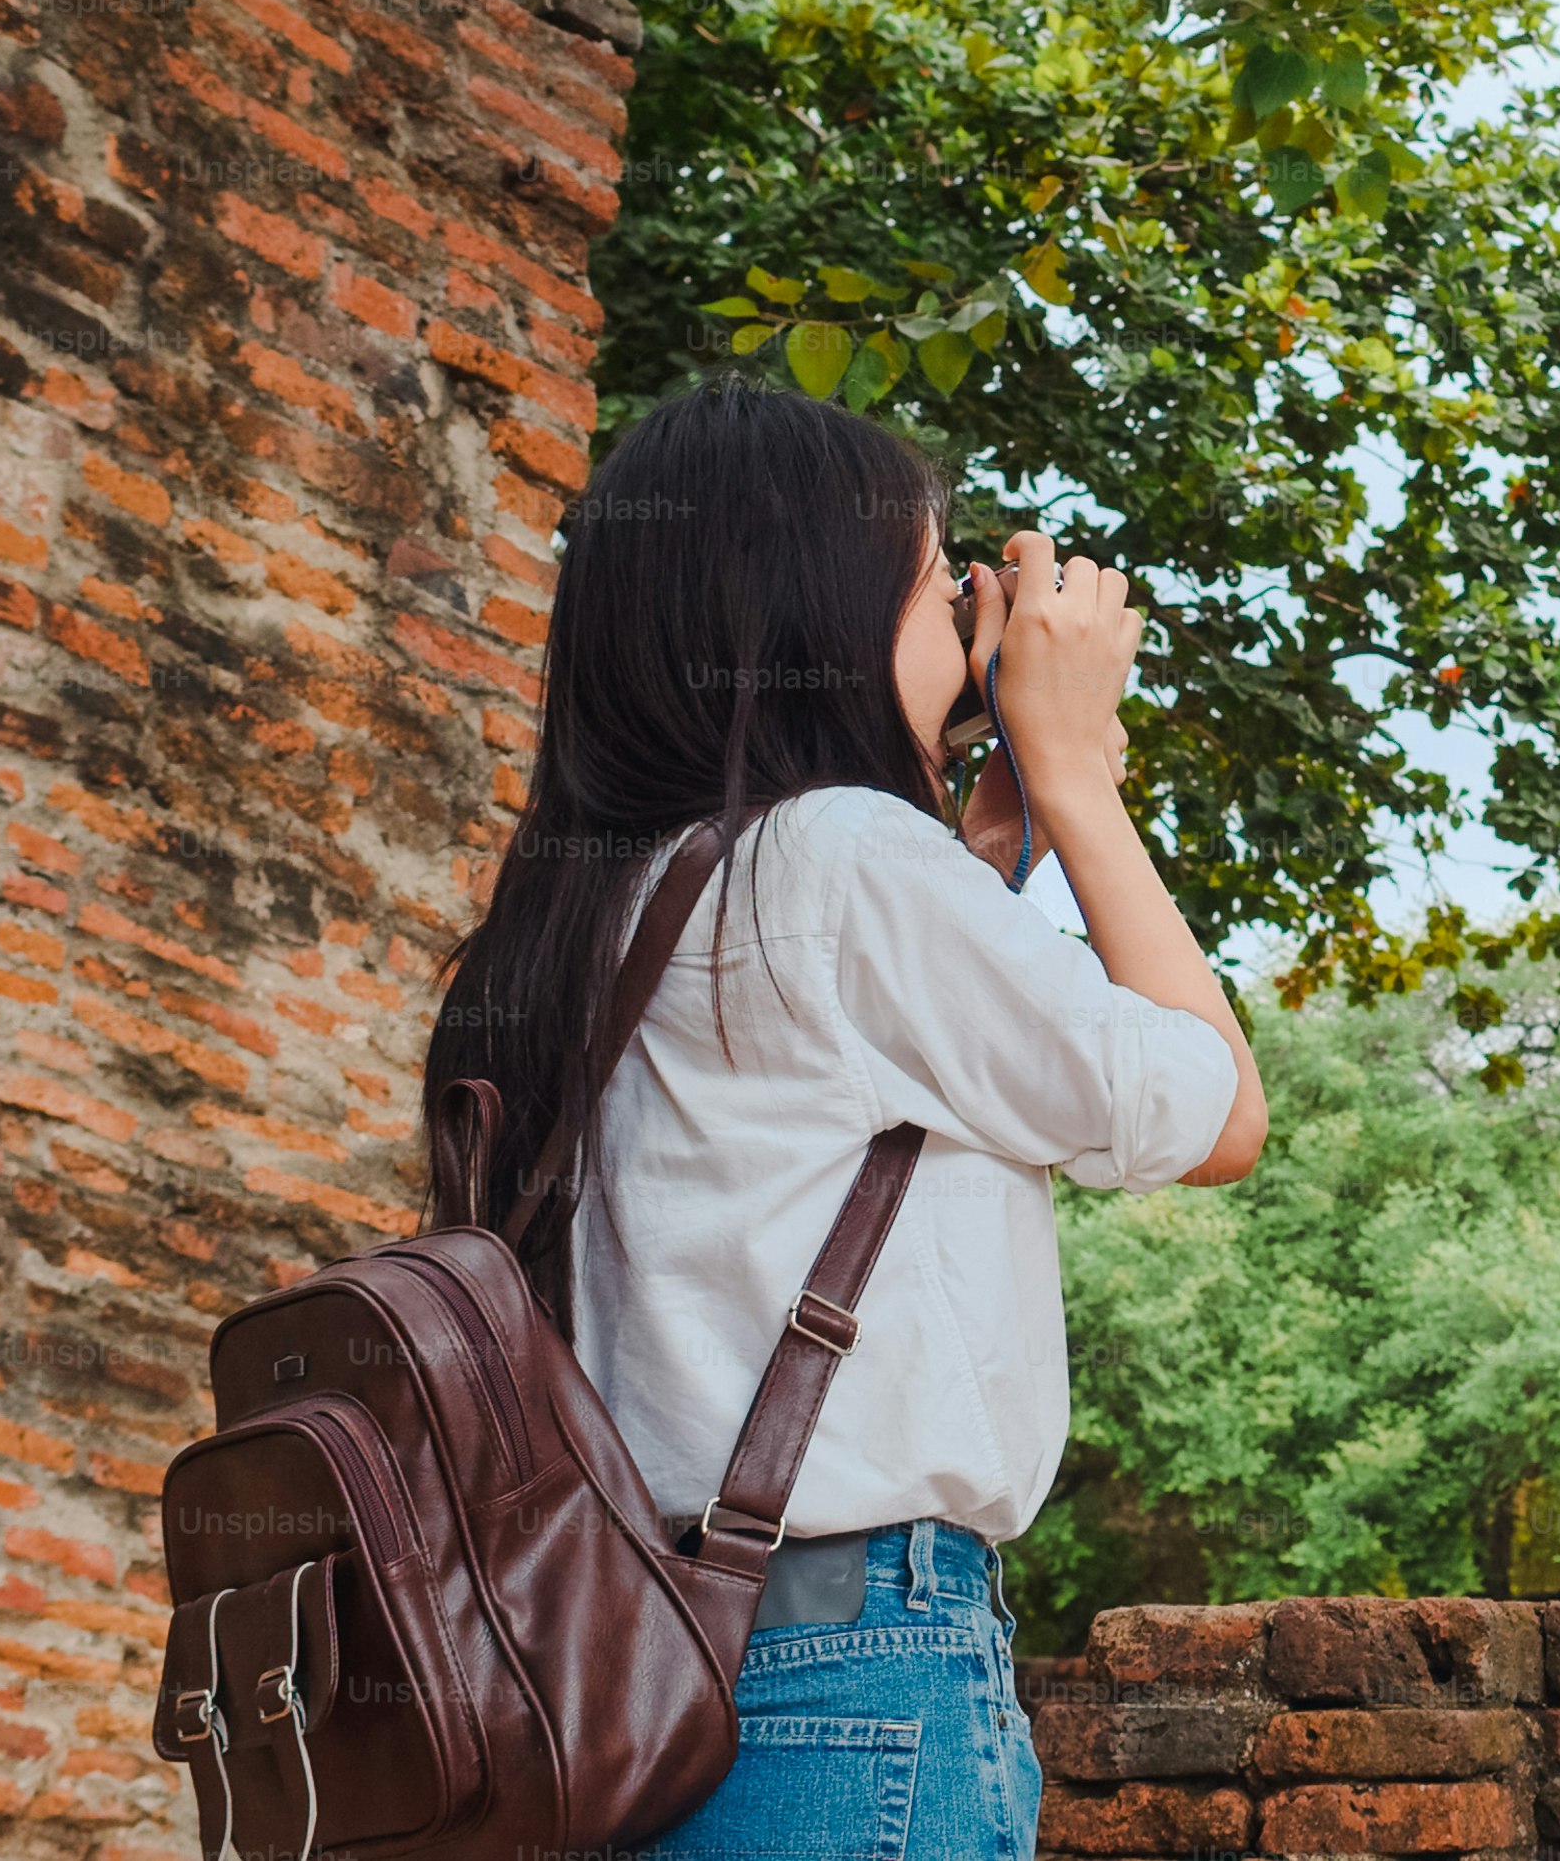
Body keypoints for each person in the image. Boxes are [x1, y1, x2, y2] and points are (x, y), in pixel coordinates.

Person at [423, 378, 1268, 1861]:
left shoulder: (591, 905)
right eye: (946, 589)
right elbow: (1213, 1111)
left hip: (629, 1672)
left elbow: (832, 1091)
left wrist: (982, 845)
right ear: (819, 607)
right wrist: (1077, 779)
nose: (970, 634)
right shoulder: (843, 861)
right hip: (848, 1672)